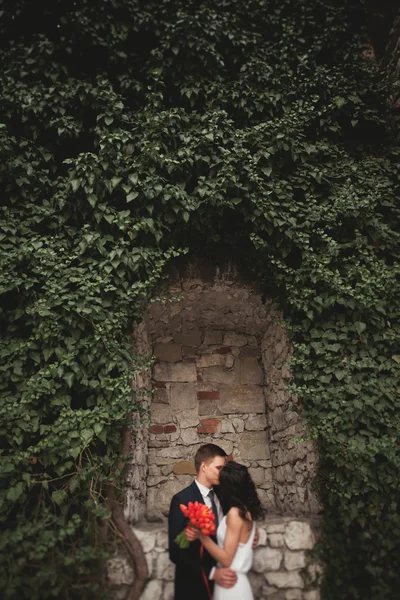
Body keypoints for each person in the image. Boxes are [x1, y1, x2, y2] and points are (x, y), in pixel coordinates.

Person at [168, 444, 238, 600]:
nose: (223, 473)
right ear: (204, 467)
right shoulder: (182, 500)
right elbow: (176, 552)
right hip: (195, 587)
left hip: (227, 585)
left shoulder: (225, 496)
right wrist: (212, 573)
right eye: (219, 468)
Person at [186, 461, 264, 600]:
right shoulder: (245, 511)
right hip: (235, 584)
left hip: (231, 585)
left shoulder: (235, 514)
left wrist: (201, 536)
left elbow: (227, 559)